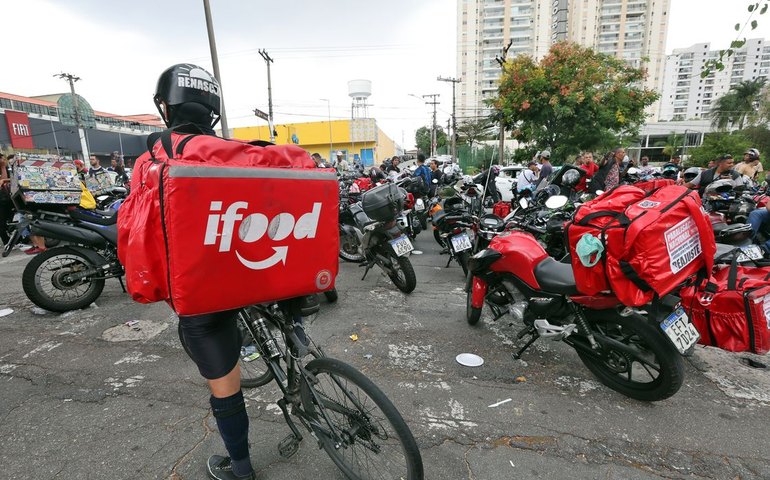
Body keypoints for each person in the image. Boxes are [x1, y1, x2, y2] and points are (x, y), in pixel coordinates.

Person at [123, 64, 261, 480]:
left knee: (223, 380)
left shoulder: (153, 156)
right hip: (260, 272)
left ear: (165, 106)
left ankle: (241, 467)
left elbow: (137, 229)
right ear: (212, 109)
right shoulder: (240, 152)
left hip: (204, 287)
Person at [0, 153, 13, 247]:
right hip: (2, 199)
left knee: (14, 218)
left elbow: (13, 178)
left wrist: (5, 180)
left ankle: (18, 239)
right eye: (2, 159)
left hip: (10, 197)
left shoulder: (8, 167)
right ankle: (7, 241)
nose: (3, 160)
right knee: (2, 221)